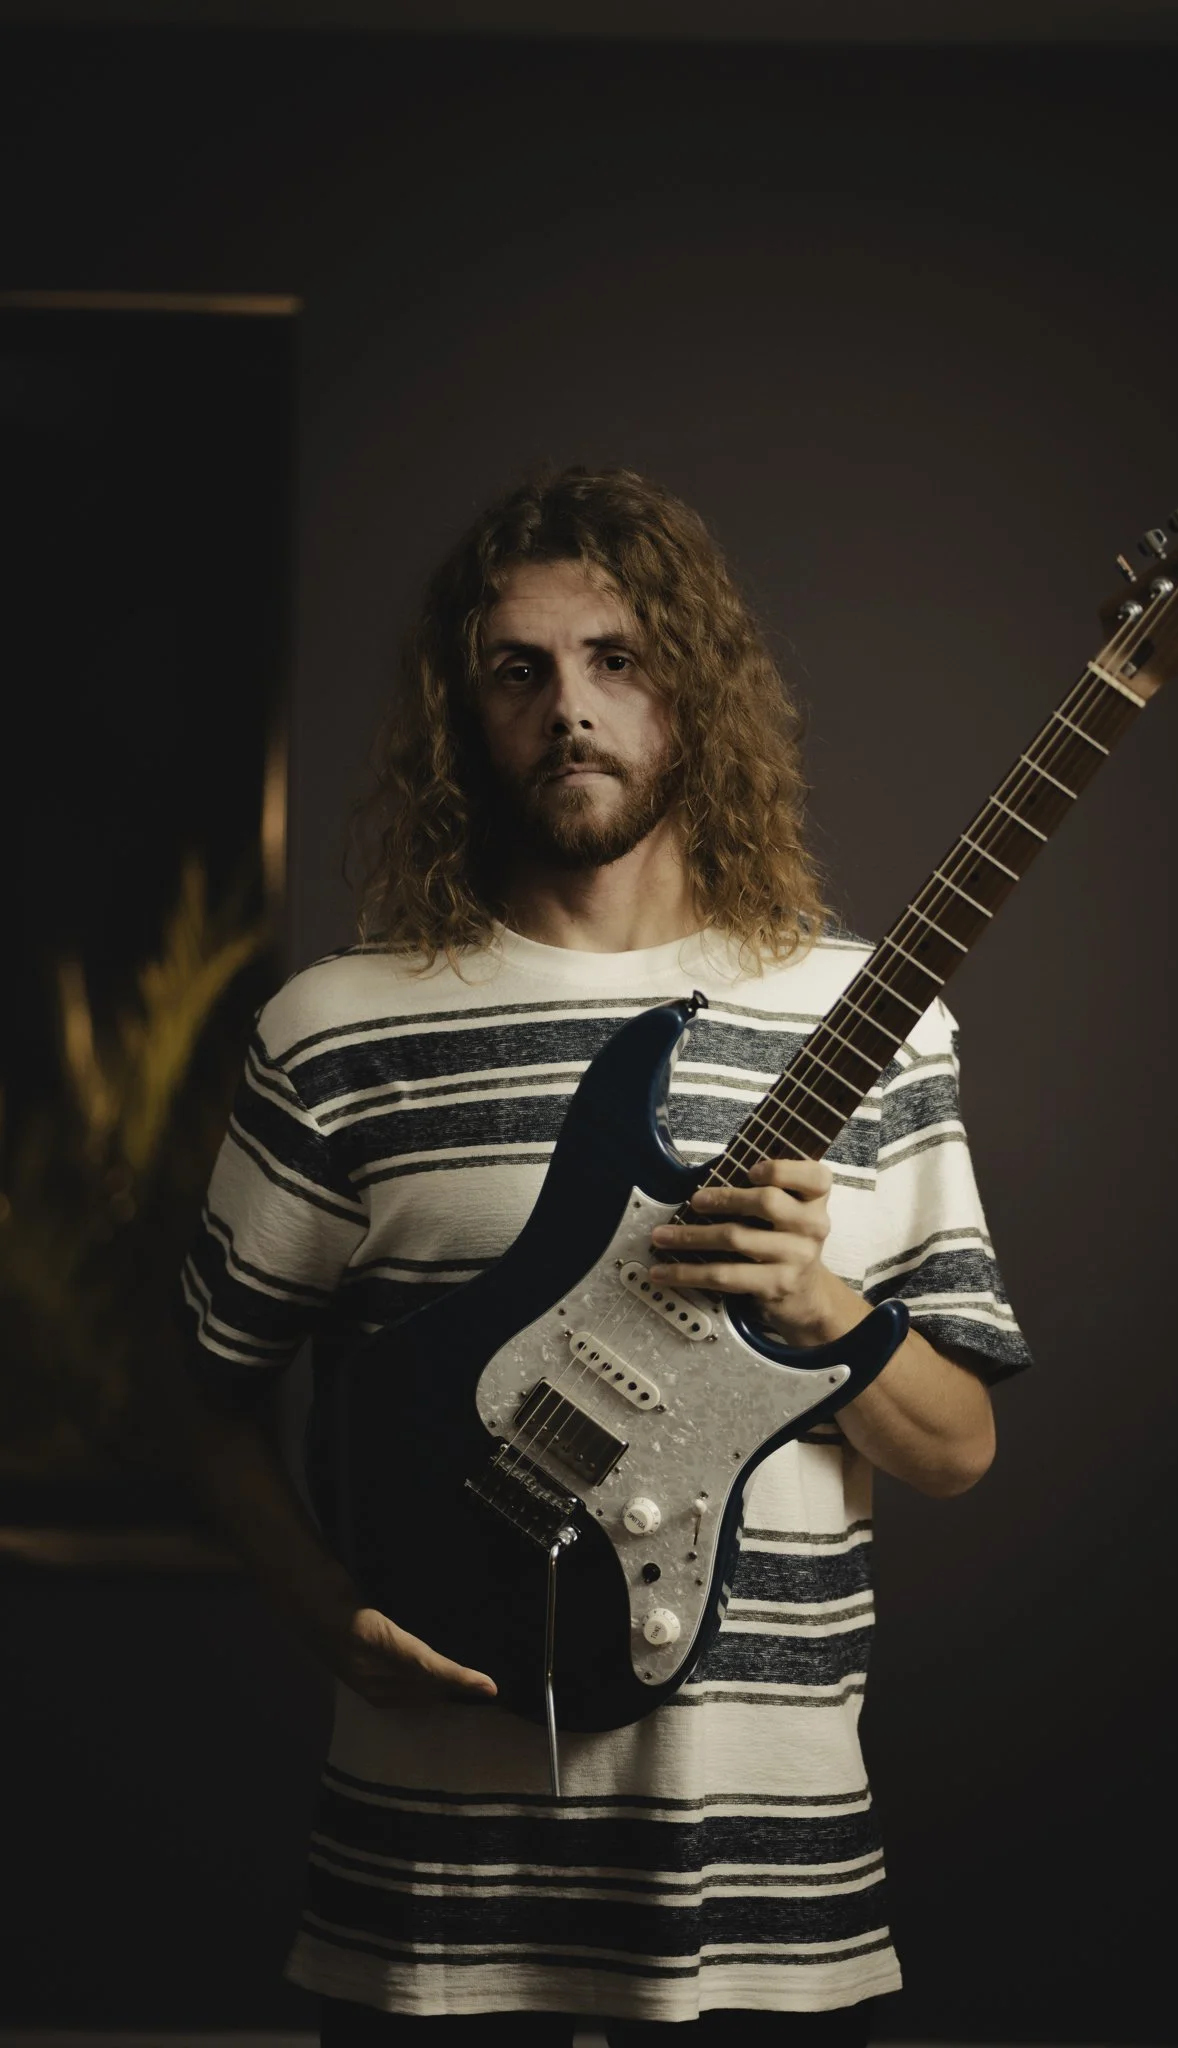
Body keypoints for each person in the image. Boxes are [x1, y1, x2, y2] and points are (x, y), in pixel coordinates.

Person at [166, 467, 1031, 2046]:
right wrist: (312, 1609)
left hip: (761, 1882)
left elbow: (959, 1447)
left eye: (617, 658)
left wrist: (821, 1302)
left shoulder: (873, 1020)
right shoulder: (339, 1029)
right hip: (433, 1883)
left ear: (691, 687)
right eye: (520, 670)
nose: (572, 707)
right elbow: (207, 1398)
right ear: (463, 718)